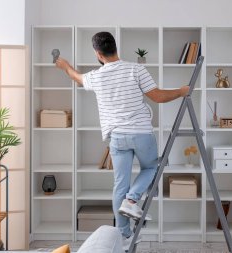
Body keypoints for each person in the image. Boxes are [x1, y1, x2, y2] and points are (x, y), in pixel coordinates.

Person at [56, 31, 189, 250]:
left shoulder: (97, 76)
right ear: (115, 48)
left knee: (120, 184)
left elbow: (76, 77)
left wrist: (65, 65)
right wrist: (182, 91)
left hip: (117, 137)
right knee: (152, 167)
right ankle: (133, 199)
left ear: (98, 54)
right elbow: (158, 97)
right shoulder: (136, 69)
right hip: (141, 133)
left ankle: (124, 234)